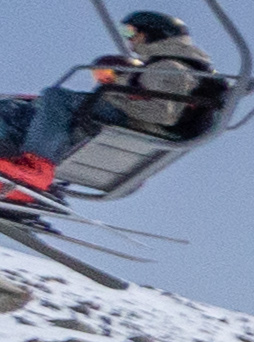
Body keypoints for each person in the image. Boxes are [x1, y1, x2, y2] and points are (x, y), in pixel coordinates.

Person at [0, 11, 230, 207]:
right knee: (14, 108)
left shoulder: (170, 67)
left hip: (130, 124)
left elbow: (163, 113)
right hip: (126, 122)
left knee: (56, 96)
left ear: (153, 33)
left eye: (131, 32)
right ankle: (16, 184)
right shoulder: (164, 66)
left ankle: (35, 169)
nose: (129, 40)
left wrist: (116, 98)